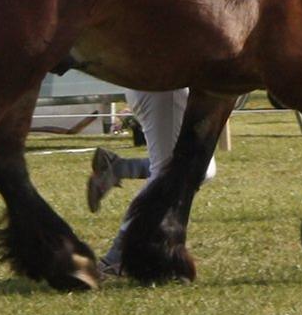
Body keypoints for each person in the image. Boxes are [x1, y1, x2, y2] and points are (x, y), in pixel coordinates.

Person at [86, 88, 217, 277]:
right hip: (165, 88)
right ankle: (115, 257)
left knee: (202, 169)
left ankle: (118, 168)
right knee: (166, 173)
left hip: (167, 89)